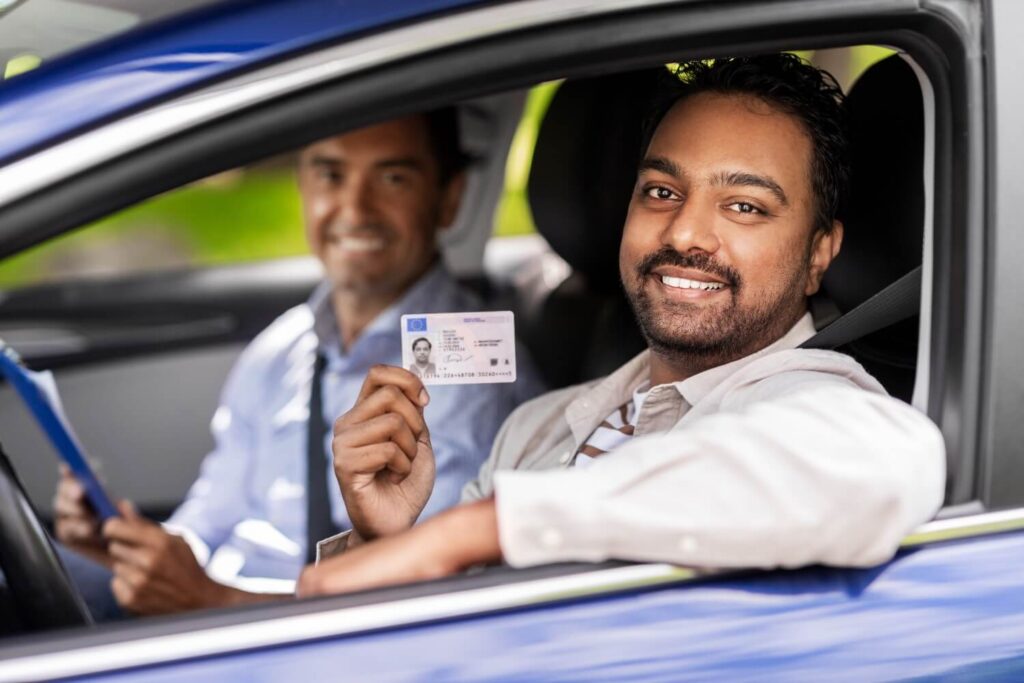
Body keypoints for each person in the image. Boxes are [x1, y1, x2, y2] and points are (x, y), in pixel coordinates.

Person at [297, 54, 946, 596]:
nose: (686, 232)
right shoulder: (540, 424)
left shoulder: (821, 403)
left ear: (819, 254)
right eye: (662, 192)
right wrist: (387, 540)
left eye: (744, 206)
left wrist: (472, 531)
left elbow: (884, 461)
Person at [53, 110, 544, 616]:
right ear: (304, 187)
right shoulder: (279, 348)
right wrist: (126, 545)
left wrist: (209, 602)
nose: (354, 209)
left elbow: (424, 601)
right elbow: (206, 523)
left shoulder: (475, 372)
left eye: (393, 178)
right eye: (331, 175)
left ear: (449, 199)